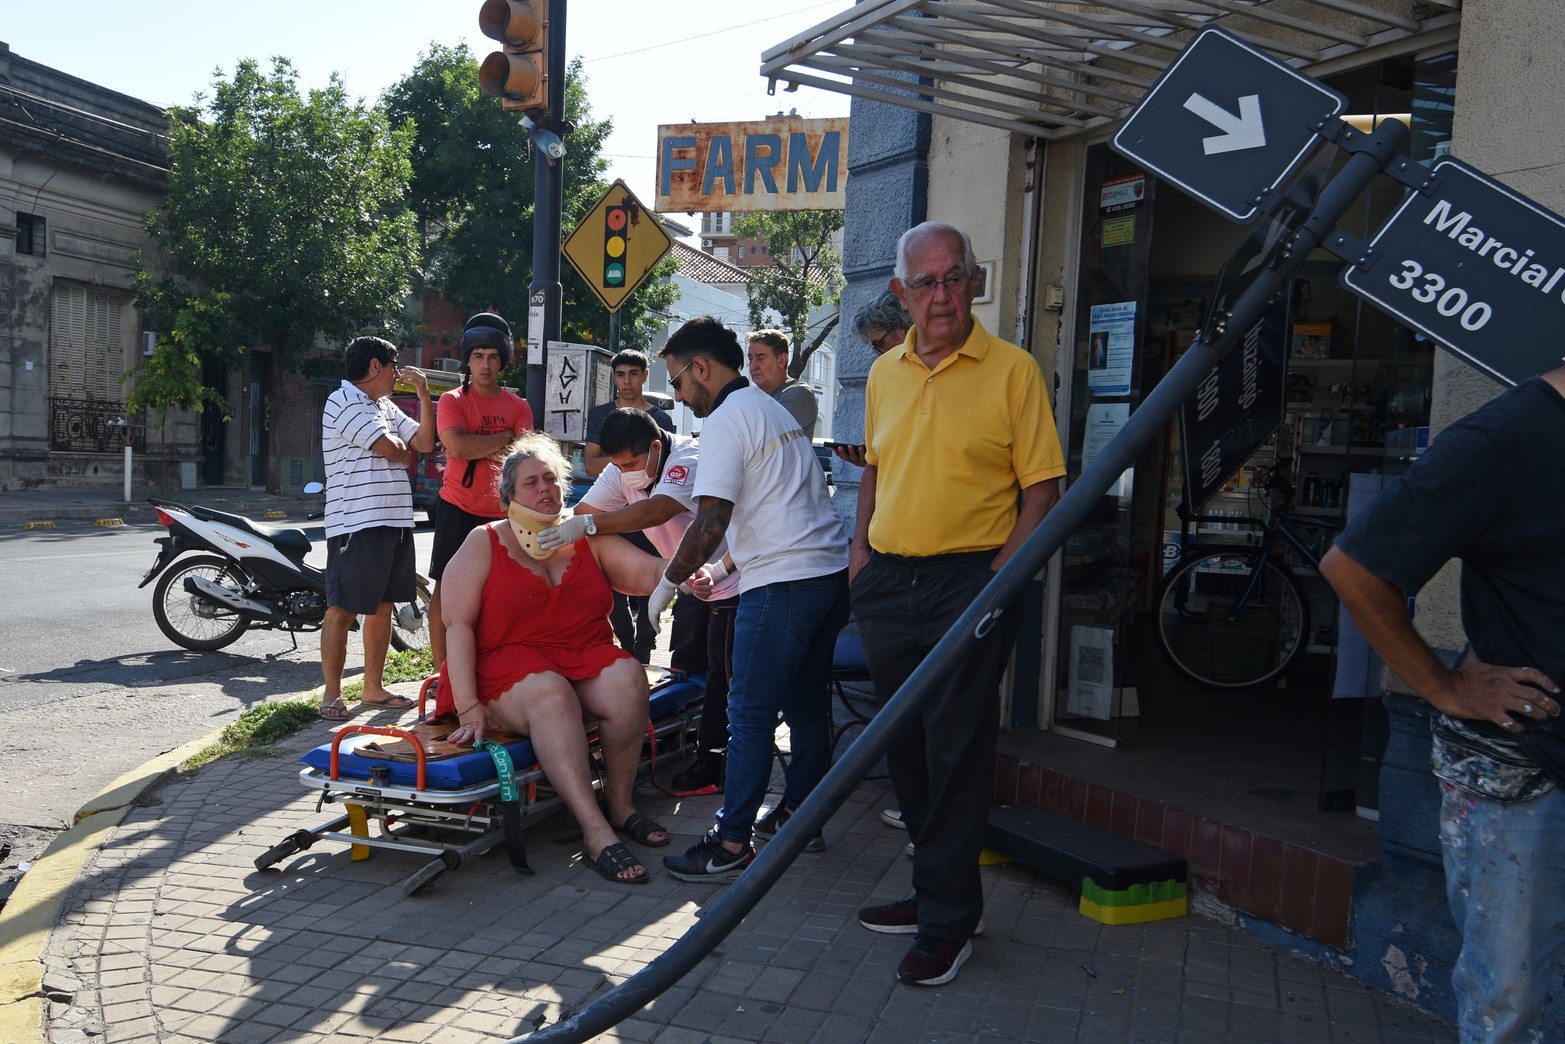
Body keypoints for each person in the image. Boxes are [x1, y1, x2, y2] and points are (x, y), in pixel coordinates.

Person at [1319, 364, 1565, 1043]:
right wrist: (1443, 685)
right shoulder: (1503, 437)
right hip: (1526, 769)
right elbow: (1352, 566)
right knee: (1506, 1001)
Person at [851, 222, 1065, 987]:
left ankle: (948, 922)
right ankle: (938, 896)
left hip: (967, 582)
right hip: (887, 582)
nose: (939, 296)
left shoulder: (1013, 371)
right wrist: (858, 558)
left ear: (974, 282)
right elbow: (874, 468)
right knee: (904, 749)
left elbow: (1044, 488)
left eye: (953, 279)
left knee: (955, 751)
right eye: (924, 283)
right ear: (901, 293)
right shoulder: (885, 373)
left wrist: (998, 580)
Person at [649, 316, 850, 882]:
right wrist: (722, 566)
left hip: (784, 585)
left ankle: (731, 843)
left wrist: (668, 583)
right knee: (808, 706)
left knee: (749, 714)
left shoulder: (727, 421)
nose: (682, 399)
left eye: (680, 382)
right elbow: (781, 509)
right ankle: (800, 818)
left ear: (703, 368)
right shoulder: (771, 411)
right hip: (827, 579)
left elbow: (711, 517)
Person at [435, 434, 673, 884]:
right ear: (509, 495)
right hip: (501, 668)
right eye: (531, 483)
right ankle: (594, 830)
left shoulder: (585, 533)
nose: (544, 489)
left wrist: (689, 569)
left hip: (578, 656)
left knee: (627, 675)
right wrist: (468, 706)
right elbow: (457, 626)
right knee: (551, 691)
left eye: (551, 479)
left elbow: (648, 573)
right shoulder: (482, 542)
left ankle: (621, 807)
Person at [538, 407, 742, 795]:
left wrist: (591, 526)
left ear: (653, 447)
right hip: (686, 578)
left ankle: (715, 764)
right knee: (689, 664)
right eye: (616, 464)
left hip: (733, 576)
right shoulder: (623, 468)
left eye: (629, 462)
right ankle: (687, 741)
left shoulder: (689, 457)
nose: (623, 471)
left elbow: (657, 509)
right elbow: (584, 512)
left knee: (726, 674)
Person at [319, 336, 436, 721]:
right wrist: (402, 451)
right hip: (358, 522)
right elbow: (395, 450)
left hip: (395, 520)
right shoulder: (343, 401)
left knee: (384, 605)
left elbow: (422, 441)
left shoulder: (382, 405)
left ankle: (373, 687)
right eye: (393, 366)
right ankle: (332, 695)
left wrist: (423, 395)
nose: (397, 374)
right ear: (374, 366)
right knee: (342, 609)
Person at [428, 312, 533, 670]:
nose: (484, 364)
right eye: (477, 356)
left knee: (504, 596)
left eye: (491, 356)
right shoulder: (453, 401)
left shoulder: (519, 406)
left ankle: (494, 666)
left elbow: (526, 456)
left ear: (502, 361)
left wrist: (483, 442)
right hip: (458, 508)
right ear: (467, 360)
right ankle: (443, 673)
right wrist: (505, 439)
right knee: (446, 592)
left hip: (503, 515)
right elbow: (457, 447)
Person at [582, 349, 674, 664]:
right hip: (609, 513)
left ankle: (644, 651)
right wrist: (626, 461)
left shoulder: (660, 418)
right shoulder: (600, 414)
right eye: (620, 374)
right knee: (610, 585)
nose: (626, 381)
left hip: (649, 520)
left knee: (651, 583)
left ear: (644, 375)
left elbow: (662, 481)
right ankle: (626, 645)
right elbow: (591, 464)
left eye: (633, 374)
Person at [836, 292, 914, 468]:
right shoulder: (884, 374)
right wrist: (869, 452)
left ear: (905, 328)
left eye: (880, 344)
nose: (878, 353)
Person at [746, 328, 818, 438]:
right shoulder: (753, 396)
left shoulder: (799, 393)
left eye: (760, 358)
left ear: (781, 360)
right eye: (751, 359)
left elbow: (761, 434)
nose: (753, 366)